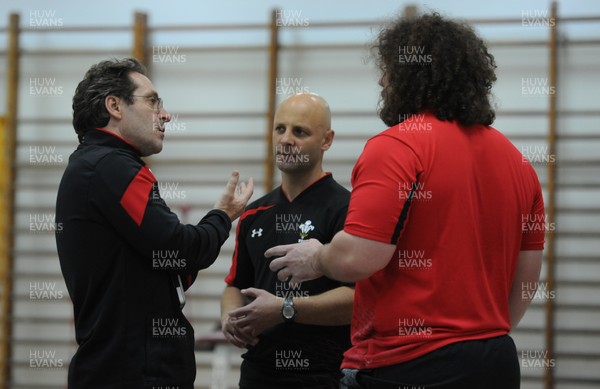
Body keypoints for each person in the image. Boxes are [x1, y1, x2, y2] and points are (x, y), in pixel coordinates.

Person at [266, 12, 546, 389]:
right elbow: (526, 282)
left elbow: (359, 256)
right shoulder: (519, 162)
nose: (383, 81)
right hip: (493, 361)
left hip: (407, 364)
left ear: (413, 75)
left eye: (388, 70)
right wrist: (477, 336)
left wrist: (315, 256)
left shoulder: (397, 146)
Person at [55, 57, 253, 389]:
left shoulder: (98, 165)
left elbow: (163, 269)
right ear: (115, 106)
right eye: (152, 101)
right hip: (133, 373)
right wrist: (222, 216)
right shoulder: (111, 167)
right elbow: (179, 249)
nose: (165, 114)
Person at [220, 93, 353, 389]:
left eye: (300, 131)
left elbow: (358, 300)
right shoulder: (255, 212)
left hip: (324, 374)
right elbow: (235, 284)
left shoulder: (346, 209)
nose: (286, 139)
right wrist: (230, 317)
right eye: (280, 129)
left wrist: (285, 308)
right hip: (258, 372)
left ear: (326, 140)